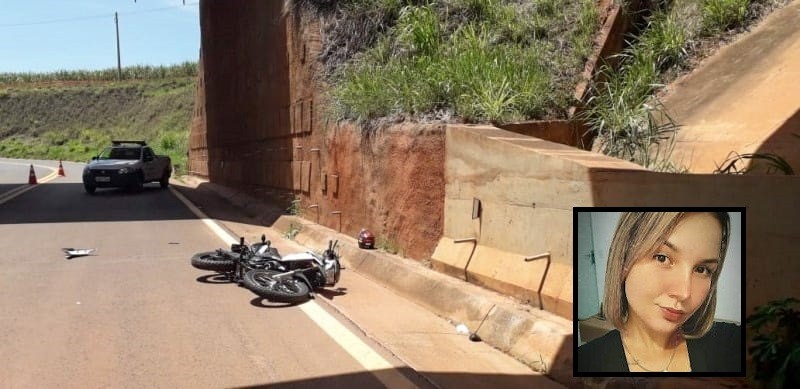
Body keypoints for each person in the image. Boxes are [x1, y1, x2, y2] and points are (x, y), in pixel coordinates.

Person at [577, 212, 741, 373]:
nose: (684, 293)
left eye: (701, 269)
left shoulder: (728, 345)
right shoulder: (584, 364)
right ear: (623, 260)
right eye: (662, 258)